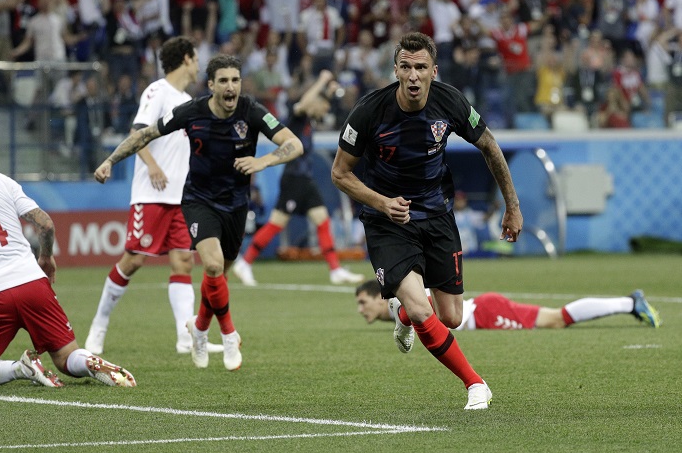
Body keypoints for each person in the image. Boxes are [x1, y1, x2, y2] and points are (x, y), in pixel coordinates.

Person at [331, 31, 523, 410]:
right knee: (423, 310)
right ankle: (475, 384)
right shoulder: (370, 111)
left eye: (421, 67)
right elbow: (340, 173)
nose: (414, 75)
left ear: (433, 71)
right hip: (388, 221)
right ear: (396, 70)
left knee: (450, 316)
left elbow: (489, 146)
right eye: (406, 67)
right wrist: (383, 203)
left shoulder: (449, 101)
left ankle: (400, 311)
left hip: (436, 215)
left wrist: (512, 207)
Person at [94, 55, 304, 372]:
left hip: (236, 204)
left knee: (216, 274)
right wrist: (110, 160)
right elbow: (145, 134)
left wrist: (262, 162)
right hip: (198, 200)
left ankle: (200, 328)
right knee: (214, 264)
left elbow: (294, 144)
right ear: (211, 85)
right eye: (223, 81)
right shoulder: (192, 112)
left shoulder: (252, 111)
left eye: (235, 79)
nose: (230, 86)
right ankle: (230, 334)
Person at [0, 121, 135, 388]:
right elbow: (45, 223)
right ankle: (87, 362)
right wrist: (46, 257)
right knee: (65, 357)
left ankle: (20, 367)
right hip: (32, 283)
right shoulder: (1, 180)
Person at [85, 36, 224, 356]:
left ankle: (185, 337)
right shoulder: (157, 91)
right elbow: (138, 132)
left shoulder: (187, 98)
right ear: (187, 59)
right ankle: (99, 325)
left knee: (183, 261)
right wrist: (153, 166)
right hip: (151, 193)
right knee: (133, 260)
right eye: (196, 57)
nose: (199, 63)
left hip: (181, 197)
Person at [232, 70, 364, 287]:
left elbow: (317, 102)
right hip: (293, 178)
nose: (325, 110)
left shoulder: (309, 121)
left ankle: (335, 269)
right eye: (324, 105)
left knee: (322, 220)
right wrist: (321, 80)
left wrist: (328, 91)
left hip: (304, 179)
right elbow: (306, 102)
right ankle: (244, 263)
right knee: (277, 223)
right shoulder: (297, 117)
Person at [355, 280, 663, 331]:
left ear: (380, 296)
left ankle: (629, 303)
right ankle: (629, 303)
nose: (361, 309)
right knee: (556, 319)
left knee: (557, 320)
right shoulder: (399, 308)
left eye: (363, 302)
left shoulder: (404, 298)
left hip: (486, 314)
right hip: (485, 311)